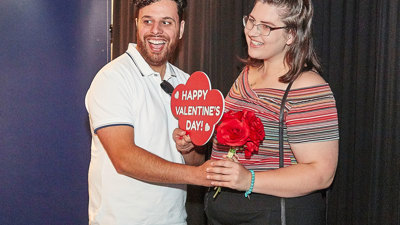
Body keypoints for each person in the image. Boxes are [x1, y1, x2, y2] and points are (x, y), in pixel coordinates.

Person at [174, 0, 339, 224]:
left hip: (273, 214)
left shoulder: (307, 87)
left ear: (291, 35)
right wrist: (193, 144)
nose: (252, 31)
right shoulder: (246, 74)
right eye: (251, 21)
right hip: (225, 211)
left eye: (266, 26)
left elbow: (322, 174)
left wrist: (249, 180)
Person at [85, 0, 212, 224]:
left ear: (180, 28)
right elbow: (124, 157)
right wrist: (197, 176)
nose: (156, 30)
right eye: (148, 21)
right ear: (136, 24)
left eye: (166, 22)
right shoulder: (113, 78)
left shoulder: (186, 83)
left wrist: (188, 147)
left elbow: (194, 162)